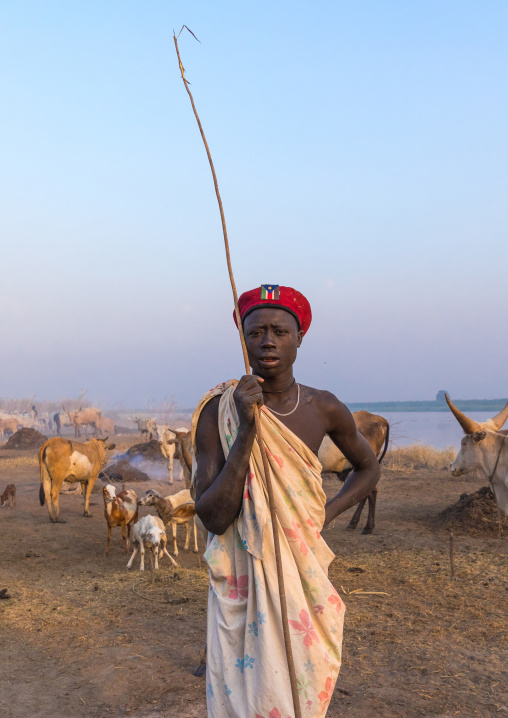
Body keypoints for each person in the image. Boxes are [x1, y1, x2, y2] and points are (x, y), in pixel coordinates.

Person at [192, 285, 380, 718]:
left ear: (299, 338)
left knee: (304, 685)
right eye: (256, 332)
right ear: (244, 339)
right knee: (242, 695)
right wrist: (245, 428)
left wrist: (323, 515)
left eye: (280, 330)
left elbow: (368, 468)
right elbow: (214, 518)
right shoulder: (217, 412)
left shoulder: (323, 407)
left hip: (302, 571)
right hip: (241, 579)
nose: (268, 341)